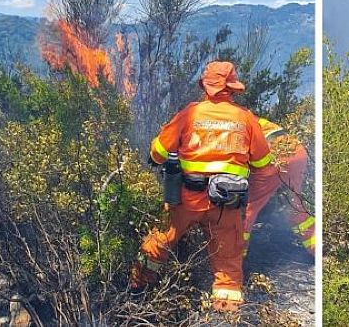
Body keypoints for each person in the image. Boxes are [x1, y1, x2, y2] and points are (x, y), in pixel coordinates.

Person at [130, 61, 273, 312]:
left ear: (206, 86)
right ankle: (226, 312)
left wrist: (157, 157)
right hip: (226, 204)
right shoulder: (246, 118)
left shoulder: (191, 113)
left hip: (188, 198)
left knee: (162, 239)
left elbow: (159, 151)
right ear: (232, 89)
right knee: (228, 259)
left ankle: (138, 287)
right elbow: (262, 162)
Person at [243, 118, 315, 256]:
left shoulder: (231, 124)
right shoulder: (247, 117)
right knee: (294, 207)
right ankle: (319, 251)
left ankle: (234, 260)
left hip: (276, 151)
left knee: (246, 209)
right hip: (297, 150)